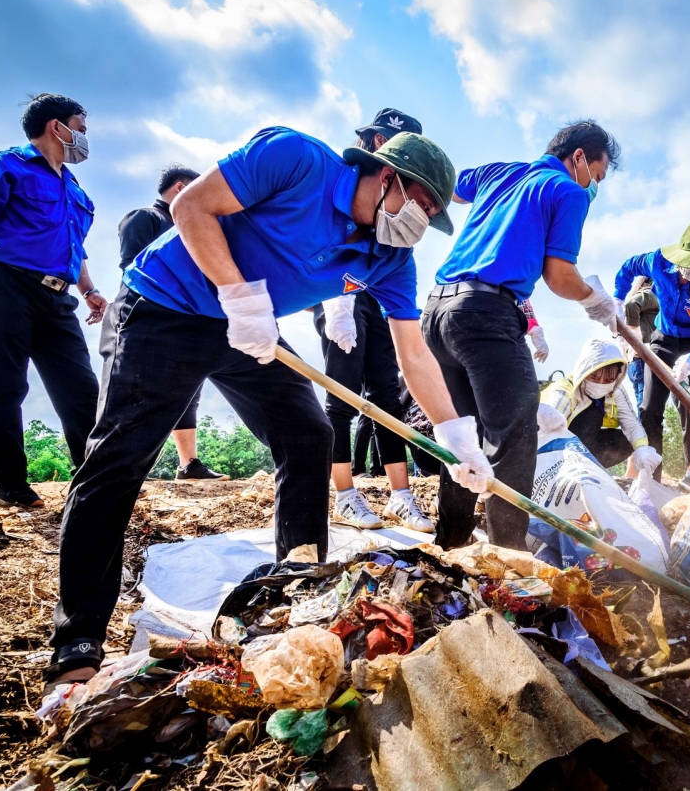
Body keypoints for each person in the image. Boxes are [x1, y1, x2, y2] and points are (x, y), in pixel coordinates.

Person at [46, 126, 494, 688]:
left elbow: (412, 351)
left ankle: (298, 591)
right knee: (119, 458)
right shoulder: (295, 159)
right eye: (421, 204)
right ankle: (77, 643)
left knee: (309, 435)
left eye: (432, 215)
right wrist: (238, 295)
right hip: (167, 306)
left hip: (247, 329)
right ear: (387, 177)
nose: (420, 223)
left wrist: (456, 436)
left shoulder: (391, 258)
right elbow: (191, 207)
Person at [425, 120, 621, 551]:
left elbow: (450, 190)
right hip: (487, 316)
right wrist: (597, 301)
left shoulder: (501, 172)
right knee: (512, 443)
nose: (594, 187)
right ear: (579, 159)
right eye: (598, 175)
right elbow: (559, 276)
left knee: (462, 438)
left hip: (438, 311)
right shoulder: (567, 191)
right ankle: (508, 566)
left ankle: (451, 549)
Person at [0, 94, 106, 509]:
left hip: (58, 296)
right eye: (80, 129)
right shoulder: (6, 164)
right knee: (6, 383)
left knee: (82, 391)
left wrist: (88, 290)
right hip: (7, 284)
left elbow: (75, 247)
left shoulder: (74, 186)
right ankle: (8, 482)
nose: (84, 139)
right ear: (57, 127)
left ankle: (93, 480)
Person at [315, 108, 433, 531]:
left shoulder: (396, 216)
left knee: (386, 394)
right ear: (376, 142)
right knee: (342, 394)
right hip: (337, 301)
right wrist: (336, 305)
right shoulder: (337, 178)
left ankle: (401, 495)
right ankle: (344, 494)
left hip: (376, 297)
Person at [113, 164, 226, 481]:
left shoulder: (193, 223)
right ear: (181, 188)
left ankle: (188, 463)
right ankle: (121, 466)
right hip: (146, 316)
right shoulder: (146, 217)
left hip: (189, 317)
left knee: (188, 392)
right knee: (136, 394)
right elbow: (132, 267)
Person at [614, 221, 690, 488]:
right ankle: (650, 482)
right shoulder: (657, 262)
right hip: (664, 340)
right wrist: (618, 300)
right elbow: (628, 268)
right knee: (650, 409)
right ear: (683, 261)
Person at [537, 338, 662, 471]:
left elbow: (631, 426)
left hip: (586, 445)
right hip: (556, 449)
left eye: (608, 379)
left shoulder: (615, 391)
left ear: (617, 377)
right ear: (584, 371)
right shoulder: (563, 391)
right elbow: (545, 432)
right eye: (594, 378)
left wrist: (642, 449)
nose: (601, 384)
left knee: (624, 441)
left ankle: (590, 470)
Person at [623, 276, 658, 410]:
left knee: (641, 404)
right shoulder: (650, 294)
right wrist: (636, 336)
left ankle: (642, 430)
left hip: (633, 360)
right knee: (648, 406)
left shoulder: (640, 296)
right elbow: (631, 304)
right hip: (643, 359)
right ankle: (645, 431)